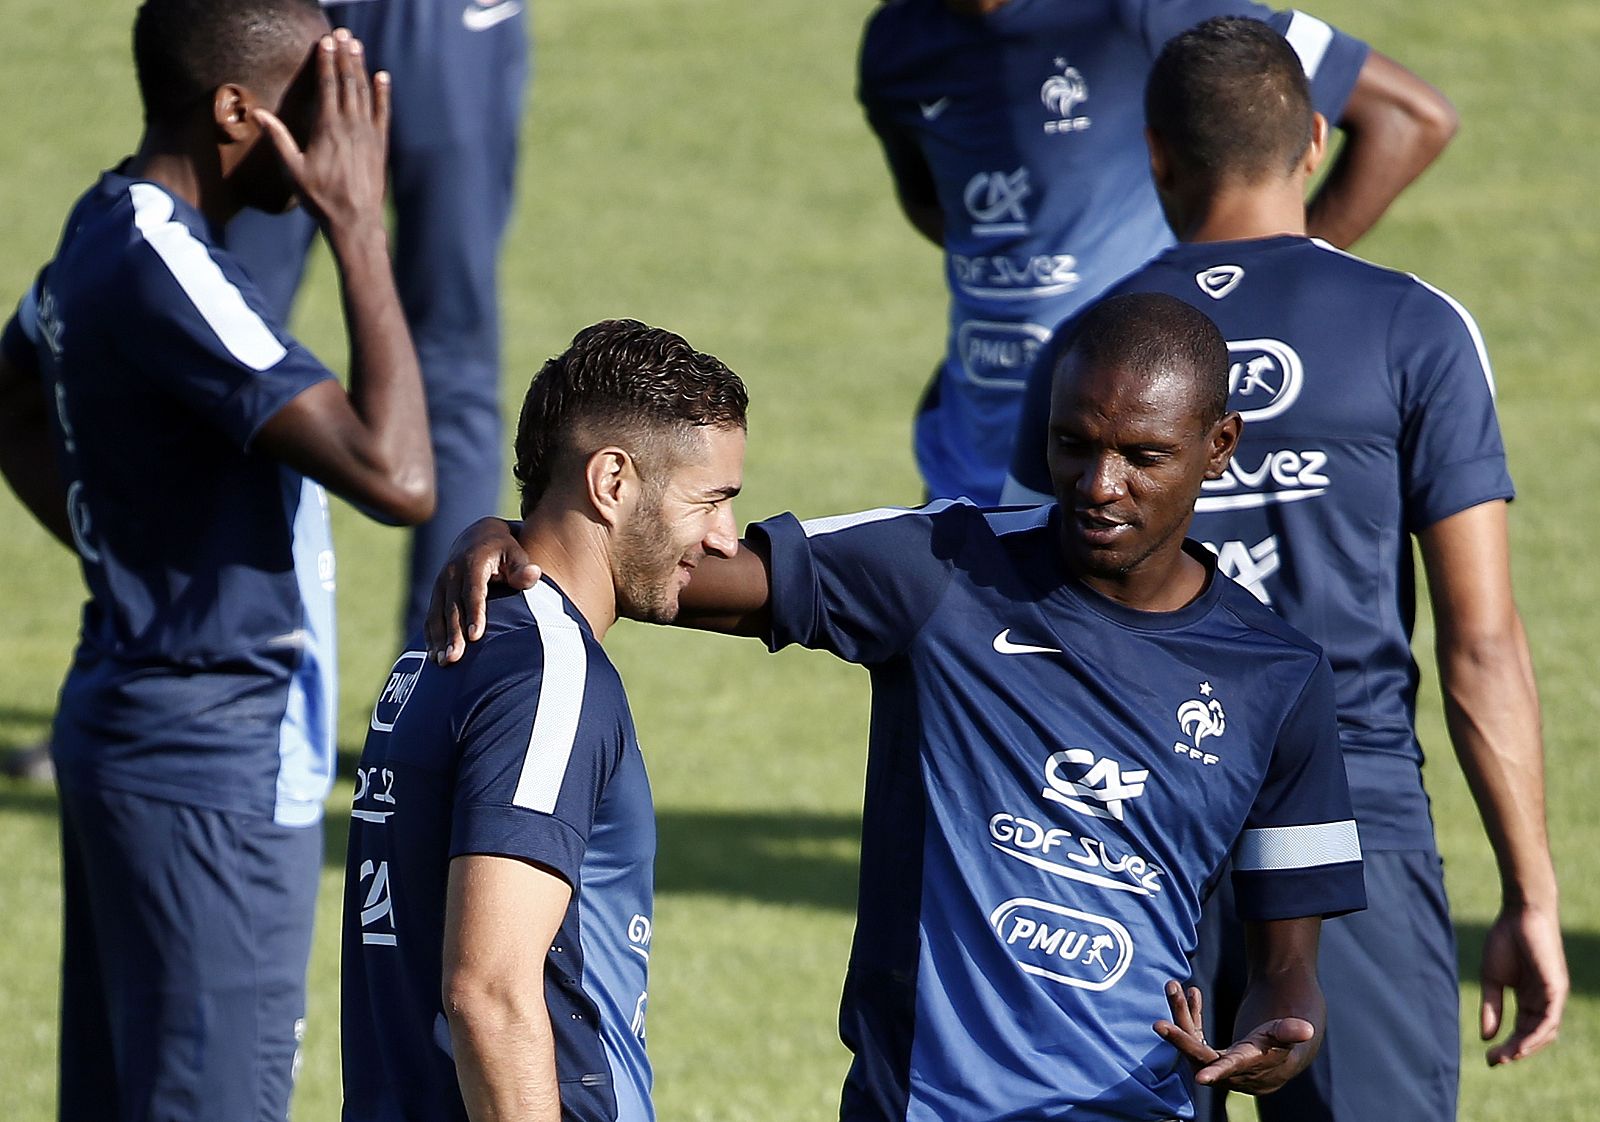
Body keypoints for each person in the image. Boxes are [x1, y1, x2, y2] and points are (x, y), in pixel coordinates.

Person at [428, 294, 1368, 1121]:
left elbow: (1289, 967)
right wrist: (518, 535)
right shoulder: (941, 569)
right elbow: (654, 568)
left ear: (1219, 445)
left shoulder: (1277, 678)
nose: (1098, 485)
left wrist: (1284, 1033)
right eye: (1072, 445)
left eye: (1143, 456)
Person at [1002, 18, 1567, 1121]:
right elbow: (1482, 643)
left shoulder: (1088, 349)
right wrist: (1530, 894)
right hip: (1353, 823)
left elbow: (1030, 619)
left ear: (1154, 153)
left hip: (1131, 824)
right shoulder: (1415, 328)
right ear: (1314, 141)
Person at [0, 3, 435, 1118]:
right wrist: (358, 228)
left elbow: (12, 393)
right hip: (213, 767)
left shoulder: (100, 227)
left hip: (138, 736)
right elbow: (397, 475)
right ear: (238, 111)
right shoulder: (167, 265)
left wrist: (136, 552)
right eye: (320, 102)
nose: (345, 133)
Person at [342, 320, 748, 1122]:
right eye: (709, 501)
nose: (725, 540)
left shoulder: (450, 645)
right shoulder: (550, 678)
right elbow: (489, 992)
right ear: (612, 481)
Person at [858, 0, 1458, 507]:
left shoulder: (1140, 10)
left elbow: (1408, 118)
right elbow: (939, 208)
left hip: (1122, 475)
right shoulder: (896, 43)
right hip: (969, 463)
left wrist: (1262, 278)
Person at [226, 0, 530, 640]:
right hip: (280, 15)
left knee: (452, 365)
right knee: (221, 344)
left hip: (445, 17)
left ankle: (440, 680)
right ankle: (197, 662)